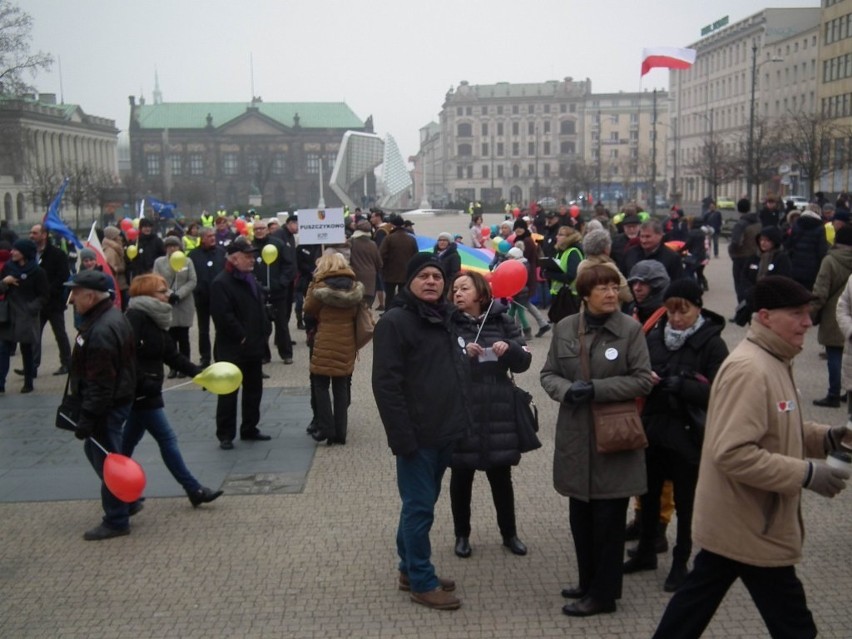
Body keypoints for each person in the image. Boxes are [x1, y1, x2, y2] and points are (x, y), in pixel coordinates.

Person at [652, 275, 852, 639]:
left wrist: (827, 437)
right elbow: (733, 452)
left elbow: (778, 424)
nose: (808, 321)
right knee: (794, 625)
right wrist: (807, 474)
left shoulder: (775, 359)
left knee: (690, 611)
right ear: (765, 316)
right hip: (752, 521)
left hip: (744, 519)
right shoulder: (751, 369)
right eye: (797, 313)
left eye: (808, 313)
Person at [540, 264, 654, 617]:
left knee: (609, 521)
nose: (609, 293)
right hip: (576, 435)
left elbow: (642, 380)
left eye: (613, 287)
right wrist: (566, 390)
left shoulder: (630, 330)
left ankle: (604, 595)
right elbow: (548, 374)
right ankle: (587, 581)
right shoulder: (565, 329)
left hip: (615, 436)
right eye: (601, 288)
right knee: (581, 518)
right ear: (584, 295)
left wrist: (597, 389)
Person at [372, 253, 471, 611]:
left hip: (444, 430)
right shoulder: (395, 322)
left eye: (437, 276)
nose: (431, 281)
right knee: (419, 510)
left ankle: (408, 569)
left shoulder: (445, 318)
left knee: (421, 504)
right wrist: (401, 438)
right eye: (423, 276)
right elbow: (386, 385)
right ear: (410, 281)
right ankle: (422, 582)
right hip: (416, 437)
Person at [622, 279, 728, 593]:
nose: (677, 318)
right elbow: (639, 370)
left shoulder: (712, 343)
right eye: (671, 311)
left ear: (698, 308)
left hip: (688, 434)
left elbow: (720, 391)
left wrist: (683, 386)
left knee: (685, 501)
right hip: (654, 429)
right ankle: (646, 551)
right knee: (649, 495)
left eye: (684, 312)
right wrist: (648, 379)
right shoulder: (656, 335)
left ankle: (682, 561)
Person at [448, 270, 532, 559]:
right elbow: (440, 364)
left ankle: (509, 533)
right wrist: (462, 356)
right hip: (463, 404)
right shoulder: (449, 323)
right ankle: (462, 535)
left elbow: (523, 362)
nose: (457, 294)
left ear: (481, 294)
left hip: (499, 404)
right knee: (461, 475)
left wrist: (508, 349)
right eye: (455, 290)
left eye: (464, 289)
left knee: (501, 475)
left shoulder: (503, 320)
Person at [120, 273, 223, 508]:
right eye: (161, 291)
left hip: (147, 390)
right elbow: (126, 357)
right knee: (166, 439)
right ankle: (193, 488)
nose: (167, 294)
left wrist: (199, 373)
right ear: (146, 295)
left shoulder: (156, 316)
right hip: (141, 391)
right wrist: (142, 381)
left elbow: (171, 355)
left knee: (126, 444)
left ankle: (112, 482)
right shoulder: (135, 318)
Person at [64, 270, 136, 540]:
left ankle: (117, 518)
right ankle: (126, 500)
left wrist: (87, 418)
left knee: (108, 460)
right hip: (115, 400)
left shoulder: (102, 328)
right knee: (99, 453)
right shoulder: (109, 317)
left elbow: (101, 381)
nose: (72, 299)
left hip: (106, 406)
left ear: (91, 296)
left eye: (76, 293)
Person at [210, 237, 272, 450]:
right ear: (234, 259)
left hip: (254, 346)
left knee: (254, 389)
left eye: (252, 256)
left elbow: (257, 307)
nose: (252, 259)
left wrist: (263, 330)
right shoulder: (221, 282)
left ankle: (249, 428)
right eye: (247, 256)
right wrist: (241, 335)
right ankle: (225, 434)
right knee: (228, 392)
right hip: (232, 348)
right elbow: (223, 316)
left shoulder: (249, 279)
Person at [304, 252, 364, 445]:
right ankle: (341, 433)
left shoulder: (319, 287)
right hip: (347, 341)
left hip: (325, 340)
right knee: (341, 386)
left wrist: (311, 286)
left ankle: (326, 428)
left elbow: (308, 309)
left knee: (320, 385)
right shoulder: (355, 287)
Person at [810, 225, 852, 407]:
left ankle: (833, 393)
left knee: (834, 353)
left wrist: (812, 312)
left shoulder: (830, 260)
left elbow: (821, 290)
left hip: (833, 313)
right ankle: (848, 391)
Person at [0, 239, 49, 393]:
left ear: (25, 253)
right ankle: (0, 382)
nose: (12, 252)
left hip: (27, 315)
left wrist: (31, 308)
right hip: (9, 314)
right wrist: (4, 282)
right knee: (3, 349)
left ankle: (28, 382)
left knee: (27, 349)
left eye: (16, 250)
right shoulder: (8, 268)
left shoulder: (38, 272)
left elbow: (44, 295)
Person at [26, 223, 71, 377]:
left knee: (60, 334)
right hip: (38, 302)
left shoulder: (57, 254)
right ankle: (32, 366)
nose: (31, 235)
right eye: (31, 233)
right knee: (34, 335)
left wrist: (49, 291)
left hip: (54, 302)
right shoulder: (30, 254)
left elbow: (63, 276)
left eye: (35, 232)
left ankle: (66, 363)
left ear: (44, 235)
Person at [252, 220, 296, 365]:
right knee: (261, 326)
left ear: (267, 230)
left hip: (278, 292)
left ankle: (286, 354)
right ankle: (264, 355)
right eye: (256, 229)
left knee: (282, 325)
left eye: (262, 228)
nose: (259, 231)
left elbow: (289, 265)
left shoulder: (278, 244)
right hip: (258, 293)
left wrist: (281, 282)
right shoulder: (250, 248)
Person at [153, 237, 197, 377]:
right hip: (167, 302)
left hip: (184, 303)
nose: (172, 249)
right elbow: (156, 279)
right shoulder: (159, 262)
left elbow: (192, 280)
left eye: (175, 246)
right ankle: (173, 367)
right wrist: (169, 294)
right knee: (170, 338)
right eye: (169, 246)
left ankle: (185, 366)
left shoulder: (187, 261)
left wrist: (179, 294)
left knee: (183, 337)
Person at [188, 228, 226, 367]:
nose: (212, 238)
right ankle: (205, 358)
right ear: (202, 238)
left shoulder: (221, 253)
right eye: (209, 236)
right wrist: (197, 290)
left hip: (218, 298)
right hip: (202, 298)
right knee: (203, 330)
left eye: (213, 236)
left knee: (220, 328)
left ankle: (219, 356)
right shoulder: (193, 255)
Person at [785, 205, 828, 292]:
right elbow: (822, 251)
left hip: (795, 266)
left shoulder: (797, 224)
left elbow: (789, 244)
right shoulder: (820, 227)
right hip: (812, 269)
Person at [379, 214, 418, 308]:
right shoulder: (411, 239)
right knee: (403, 296)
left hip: (390, 273)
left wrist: (382, 268)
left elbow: (381, 254)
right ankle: (402, 312)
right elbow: (416, 255)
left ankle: (388, 313)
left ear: (392, 225)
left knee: (389, 296)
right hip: (406, 273)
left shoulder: (389, 238)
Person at [348, 220, 382, 308]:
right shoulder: (373, 244)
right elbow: (379, 263)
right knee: (366, 308)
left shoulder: (351, 242)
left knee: (355, 307)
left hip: (355, 277)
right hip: (370, 280)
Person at [102, 226, 129, 310]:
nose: (120, 238)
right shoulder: (111, 251)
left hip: (121, 283)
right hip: (118, 284)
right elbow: (111, 268)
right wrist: (121, 268)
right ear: (113, 237)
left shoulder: (115, 248)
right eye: (118, 235)